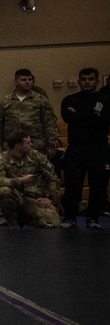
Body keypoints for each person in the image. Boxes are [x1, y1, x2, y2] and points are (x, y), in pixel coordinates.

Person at [60, 67, 108, 229]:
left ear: (97, 81)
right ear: (79, 81)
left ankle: (93, 217)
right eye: (84, 79)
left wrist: (78, 115)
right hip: (76, 148)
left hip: (99, 148)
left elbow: (103, 119)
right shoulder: (70, 99)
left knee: (99, 184)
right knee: (73, 183)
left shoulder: (105, 99)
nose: (87, 82)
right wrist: (92, 116)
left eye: (91, 79)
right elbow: (68, 117)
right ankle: (70, 217)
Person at [0, 132, 59, 229]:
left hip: (34, 198)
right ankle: (13, 222)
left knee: (52, 223)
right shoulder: (0, 159)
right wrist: (22, 180)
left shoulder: (37, 156)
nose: (31, 144)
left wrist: (48, 196)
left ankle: (25, 218)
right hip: (16, 196)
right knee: (3, 191)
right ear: (18, 146)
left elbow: (52, 175)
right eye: (28, 143)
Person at [0, 68, 60, 160]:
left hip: (35, 146)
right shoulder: (5, 101)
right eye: (23, 80)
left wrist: (52, 145)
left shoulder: (41, 100)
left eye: (29, 79)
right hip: (12, 147)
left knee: (38, 173)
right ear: (16, 82)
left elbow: (50, 124)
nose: (27, 82)